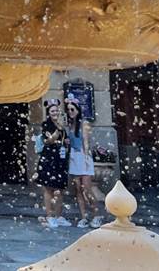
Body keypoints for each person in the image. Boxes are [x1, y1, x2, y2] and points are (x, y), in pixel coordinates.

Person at [63, 98, 103, 228]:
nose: (70, 112)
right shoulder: (70, 125)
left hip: (82, 155)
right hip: (74, 156)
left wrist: (86, 159)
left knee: (87, 188)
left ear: (78, 109)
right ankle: (83, 217)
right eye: (68, 110)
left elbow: (86, 142)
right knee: (78, 190)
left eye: (72, 109)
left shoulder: (84, 123)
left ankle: (96, 215)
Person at [33, 99, 70, 229]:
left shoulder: (62, 125)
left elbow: (64, 140)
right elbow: (48, 141)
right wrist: (58, 130)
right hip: (49, 158)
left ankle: (59, 216)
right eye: (52, 111)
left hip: (60, 159)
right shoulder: (46, 125)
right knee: (48, 188)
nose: (55, 113)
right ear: (48, 113)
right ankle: (49, 216)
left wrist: (66, 142)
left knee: (59, 189)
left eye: (56, 110)